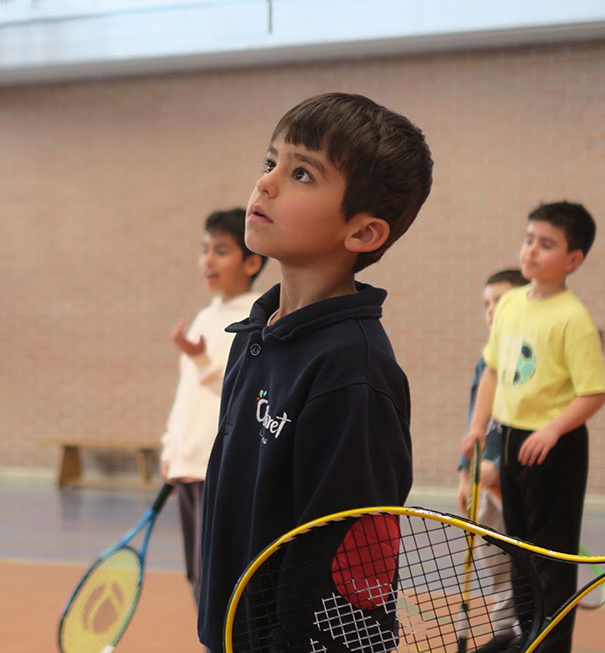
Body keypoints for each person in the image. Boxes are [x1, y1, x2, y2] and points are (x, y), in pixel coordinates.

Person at [197, 92, 432, 652]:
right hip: (232, 634)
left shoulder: (354, 373)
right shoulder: (256, 334)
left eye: (301, 173)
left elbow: (352, 556)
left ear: (363, 233)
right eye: (270, 162)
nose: (267, 183)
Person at [462, 201, 605, 653]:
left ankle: (550, 645)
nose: (531, 251)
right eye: (529, 240)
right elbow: (491, 370)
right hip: (507, 441)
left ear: (573, 260)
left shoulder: (573, 318)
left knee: (551, 555)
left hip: (553, 447)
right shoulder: (508, 304)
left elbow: (593, 393)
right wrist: (476, 427)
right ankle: (526, 636)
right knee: (517, 545)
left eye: (546, 244)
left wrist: (550, 431)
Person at [160, 208, 267, 606]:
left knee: (218, 582)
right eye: (205, 249)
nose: (207, 260)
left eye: (221, 251)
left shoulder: (255, 317)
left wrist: (200, 358)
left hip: (218, 468)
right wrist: (171, 448)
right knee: (197, 577)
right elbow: (186, 393)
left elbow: (238, 390)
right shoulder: (206, 316)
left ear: (251, 261)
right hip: (188, 466)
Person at [456, 268, 527, 653]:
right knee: (494, 565)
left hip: (510, 482)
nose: (490, 310)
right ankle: (505, 632)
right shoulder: (486, 361)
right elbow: (475, 422)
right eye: (486, 303)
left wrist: (499, 469)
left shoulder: (528, 357)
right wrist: (464, 478)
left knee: (522, 565)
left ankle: (522, 634)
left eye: (498, 300)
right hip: (483, 483)